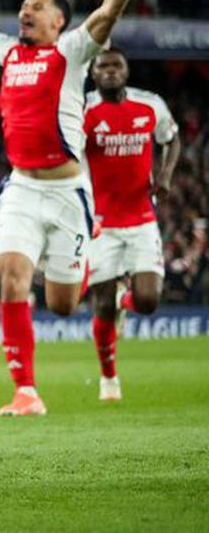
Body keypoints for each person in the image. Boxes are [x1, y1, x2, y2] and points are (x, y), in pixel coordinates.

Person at [0, 0, 157, 417]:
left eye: (37, 6)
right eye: (24, 5)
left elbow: (108, 12)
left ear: (59, 20)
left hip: (68, 194)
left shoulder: (71, 52)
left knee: (64, 305)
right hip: (22, 188)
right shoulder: (9, 52)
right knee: (12, 277)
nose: (25, 11)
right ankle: (26, 390)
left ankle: (99, 274)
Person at [83, 48, 179, 401]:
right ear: (93, 74)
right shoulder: (82, 111)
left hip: (141, 218)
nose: (110, 71)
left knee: (149, 301)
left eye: (116, 65)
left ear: (126, 71)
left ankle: (126, 301)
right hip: (101, 223)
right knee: (102, 306)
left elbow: (172, 139)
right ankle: (108, 378)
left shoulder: (150, 105)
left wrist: (165, 176)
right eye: (103, 66)